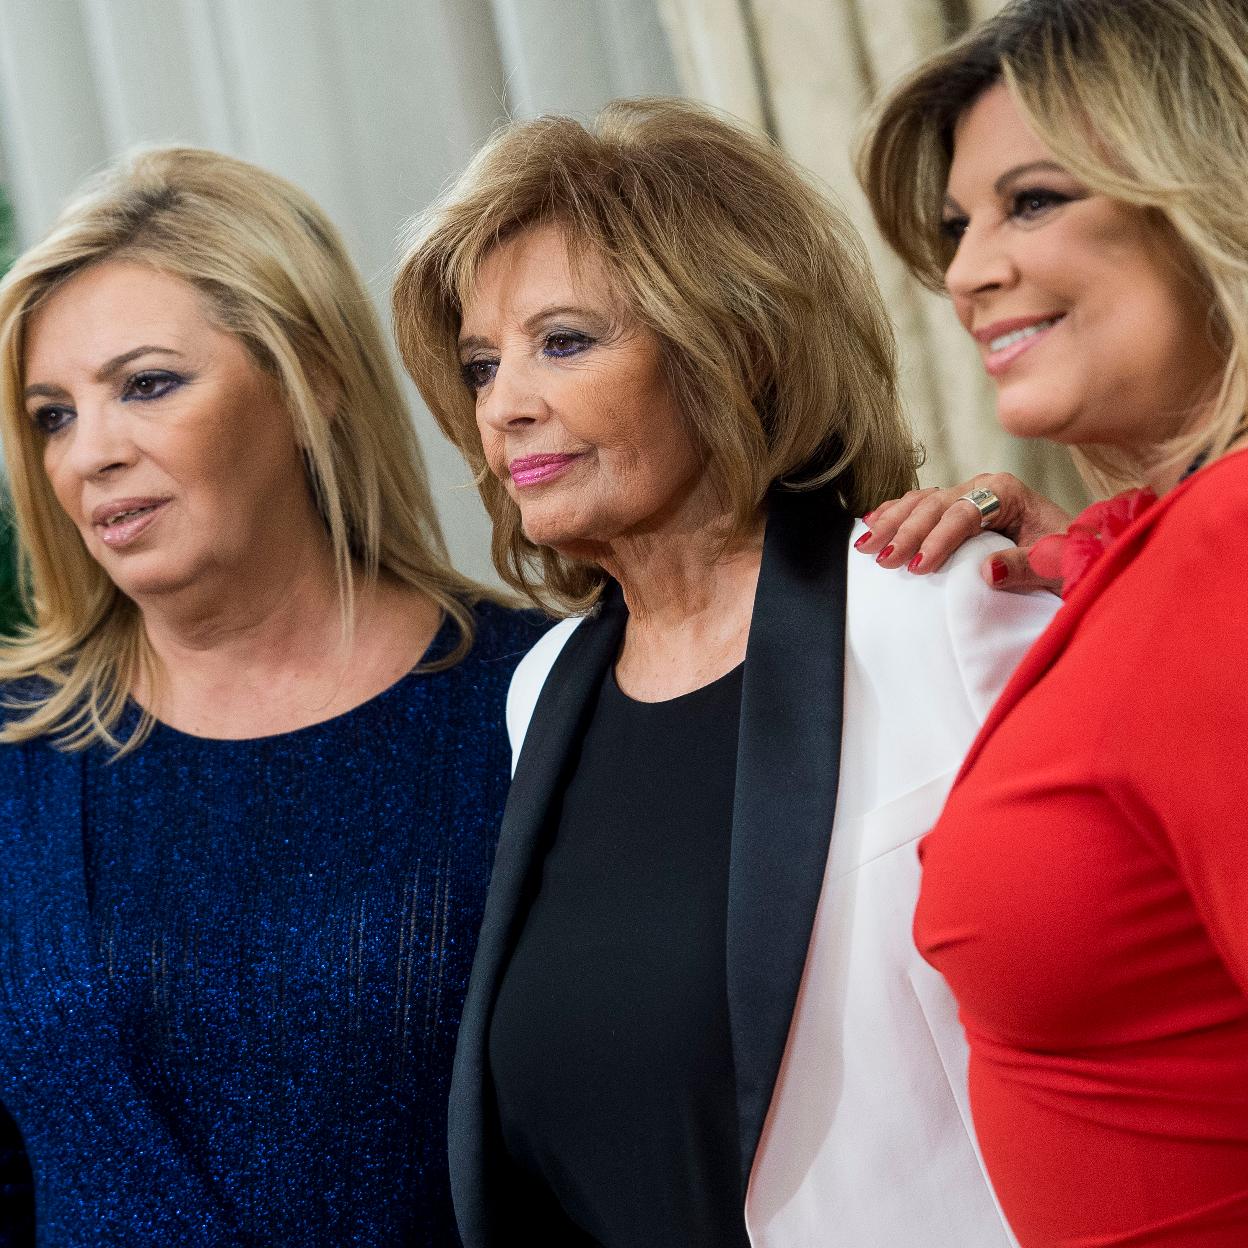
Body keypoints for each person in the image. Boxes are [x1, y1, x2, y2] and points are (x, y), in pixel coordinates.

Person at [393, 96, 1058, 1248]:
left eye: (564, 341)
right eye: (480, 364)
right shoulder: (540, 687)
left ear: (734, 342)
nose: (504, 405)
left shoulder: (938, 604)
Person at [0, 146, 544, 1246]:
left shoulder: (540, 698)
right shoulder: (13, 752)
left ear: (311, 382)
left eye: (147, 385)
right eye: (52, 414)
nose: (90, 454)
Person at [857, 1, 1248, 1244]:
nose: (968, 272)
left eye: (1032, 202)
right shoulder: (1169, 552)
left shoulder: (1224, 548)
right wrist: (1100, 560)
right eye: (959, 226)